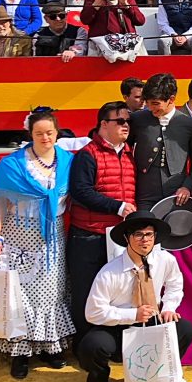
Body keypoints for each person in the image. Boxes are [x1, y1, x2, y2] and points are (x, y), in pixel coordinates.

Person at [0, 109, 74, 379]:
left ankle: (49, 347)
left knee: (51, 292)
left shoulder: (67, 161)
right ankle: (20, 353)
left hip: (52, 236)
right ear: (30, 134)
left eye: (49, 133)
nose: (45, 138)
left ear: (57, 133)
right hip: (18, 235)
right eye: (39, 133)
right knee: (19, 295)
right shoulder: (13, 164)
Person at [76, 211, 192, 382]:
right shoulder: (110, 272)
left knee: (186, 329)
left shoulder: (165, 260)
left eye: (149, 234)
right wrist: (132, 315)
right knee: (93, 345)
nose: (145, 240)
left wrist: (169, 307)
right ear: (127, 238)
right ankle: (97, 381)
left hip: (153, 319)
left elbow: (175, 284)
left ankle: (159, 372)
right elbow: (93, 312)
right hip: (118, 326)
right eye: (138, 235)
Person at [65, 102, 135, 345]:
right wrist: (117, 206)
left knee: (118, 293)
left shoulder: (129, 153)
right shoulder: (88, 154)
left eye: (128, 121)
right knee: (86, 292)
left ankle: (113, 346)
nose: (126, 126)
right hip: (88, 235)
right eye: (120, 121)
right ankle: (85, 347)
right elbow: (81, 191)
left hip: (117, 236)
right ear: (104, 124)